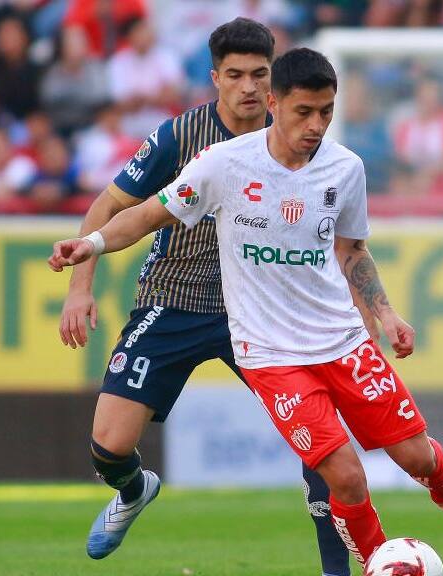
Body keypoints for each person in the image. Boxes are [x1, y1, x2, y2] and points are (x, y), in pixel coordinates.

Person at [49, 47, 443, 568]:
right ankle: (375, 560)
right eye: (304, 112)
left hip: (340, 339)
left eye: (326, 112)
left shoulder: (346, 168)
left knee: (414, 455)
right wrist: (90, 245)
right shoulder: (222, 164)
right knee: (346, 475)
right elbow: (148, 215)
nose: (316, 125)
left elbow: (352, 249)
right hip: (270, 354)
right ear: (274, 103)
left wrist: (384, 313)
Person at [56, 18, 354, 575]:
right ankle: (132, 490)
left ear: (273, 85)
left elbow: (334, 237)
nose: (246, 87)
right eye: (234, 75)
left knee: (323, 441)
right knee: (109, 443)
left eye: (258, 75)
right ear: (215, 77)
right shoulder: (180, 135)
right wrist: (80, 288)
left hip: (263, 310)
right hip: (174, 298)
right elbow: (110, 206)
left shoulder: (299, 138)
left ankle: (335, 568)